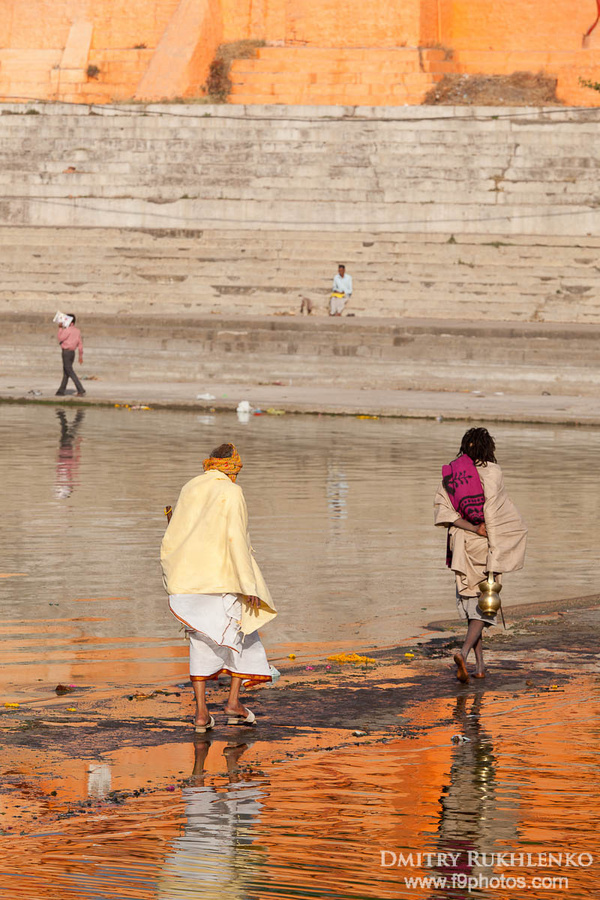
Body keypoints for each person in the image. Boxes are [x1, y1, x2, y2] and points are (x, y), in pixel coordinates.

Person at [160, 443, 277, 733]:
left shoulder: (191, 486)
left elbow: (175, 530)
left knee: (200, 642)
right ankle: (233, 703)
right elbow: (236, 538)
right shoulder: (232, 491)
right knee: (242, 635)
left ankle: (201, 715)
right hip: (221, 577)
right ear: (233, 467)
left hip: (187, 578)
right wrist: (247, 583)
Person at [434, 427, 527, 683]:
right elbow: (496, 513)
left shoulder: (453, 474)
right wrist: (496, 545)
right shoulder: (493, 472)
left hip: (462, 544)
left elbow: (444, 512)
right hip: (484, 545)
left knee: (472, 605)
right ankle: (463, 653)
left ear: (465, 447)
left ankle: (480, 666)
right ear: (489, 448)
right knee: (484, 608)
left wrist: (471, 526)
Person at [56, 313, 85, 397]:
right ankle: (61, 390)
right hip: (72, 353)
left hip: (66, 352)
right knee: (66, 372)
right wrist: (80, 355)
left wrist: (60, 328)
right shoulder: (77, 331)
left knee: (69, 371)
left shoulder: (67, 330)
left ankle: (80, 389)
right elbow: (80, 344)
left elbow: (60, 338)